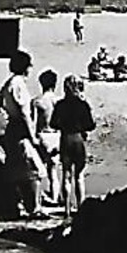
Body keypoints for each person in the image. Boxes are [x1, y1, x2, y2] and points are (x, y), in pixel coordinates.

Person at [0, 50, 44, 219]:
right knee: (33, 168)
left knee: (17, 168)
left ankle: (22, 205)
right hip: (20, 129)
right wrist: (32, 135)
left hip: (12, 127)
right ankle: (34, 208)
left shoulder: (9, 82)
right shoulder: (19, 84)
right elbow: (24, 112)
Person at [50, 74, 95, 216]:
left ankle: (67, 209)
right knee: (79, 175)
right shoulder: (83, 105)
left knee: (66, 174)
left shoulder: (60, 105)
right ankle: (80, 207)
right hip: (78, 138)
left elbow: (53, 123)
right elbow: (91, 125)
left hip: (65, 138)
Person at [33, 69, 62, 206]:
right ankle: (55, 197)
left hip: (42, 135)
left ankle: (36, 198)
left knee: (38, 169)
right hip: (55, 135)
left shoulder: (37, 101)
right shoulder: (57, 101)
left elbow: (33, 122)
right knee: (53, 171)